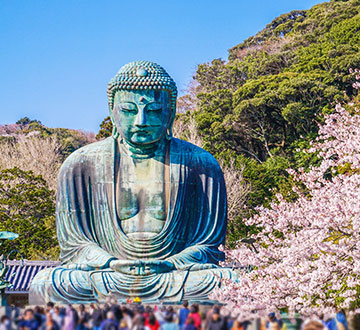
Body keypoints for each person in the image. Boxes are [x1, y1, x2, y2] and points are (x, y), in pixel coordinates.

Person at [29, 61, 236, 305]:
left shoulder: (201, 164)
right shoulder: (80, 164)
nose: (141, 120)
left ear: (171, 112)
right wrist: (110, 262)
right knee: (47, 284)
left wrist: (171, 263)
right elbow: (75, 246)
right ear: (112, 111)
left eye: (155, 110)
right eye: (128, 110)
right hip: (107, 275)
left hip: (174, 275)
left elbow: (208, 245)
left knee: (230, 282)